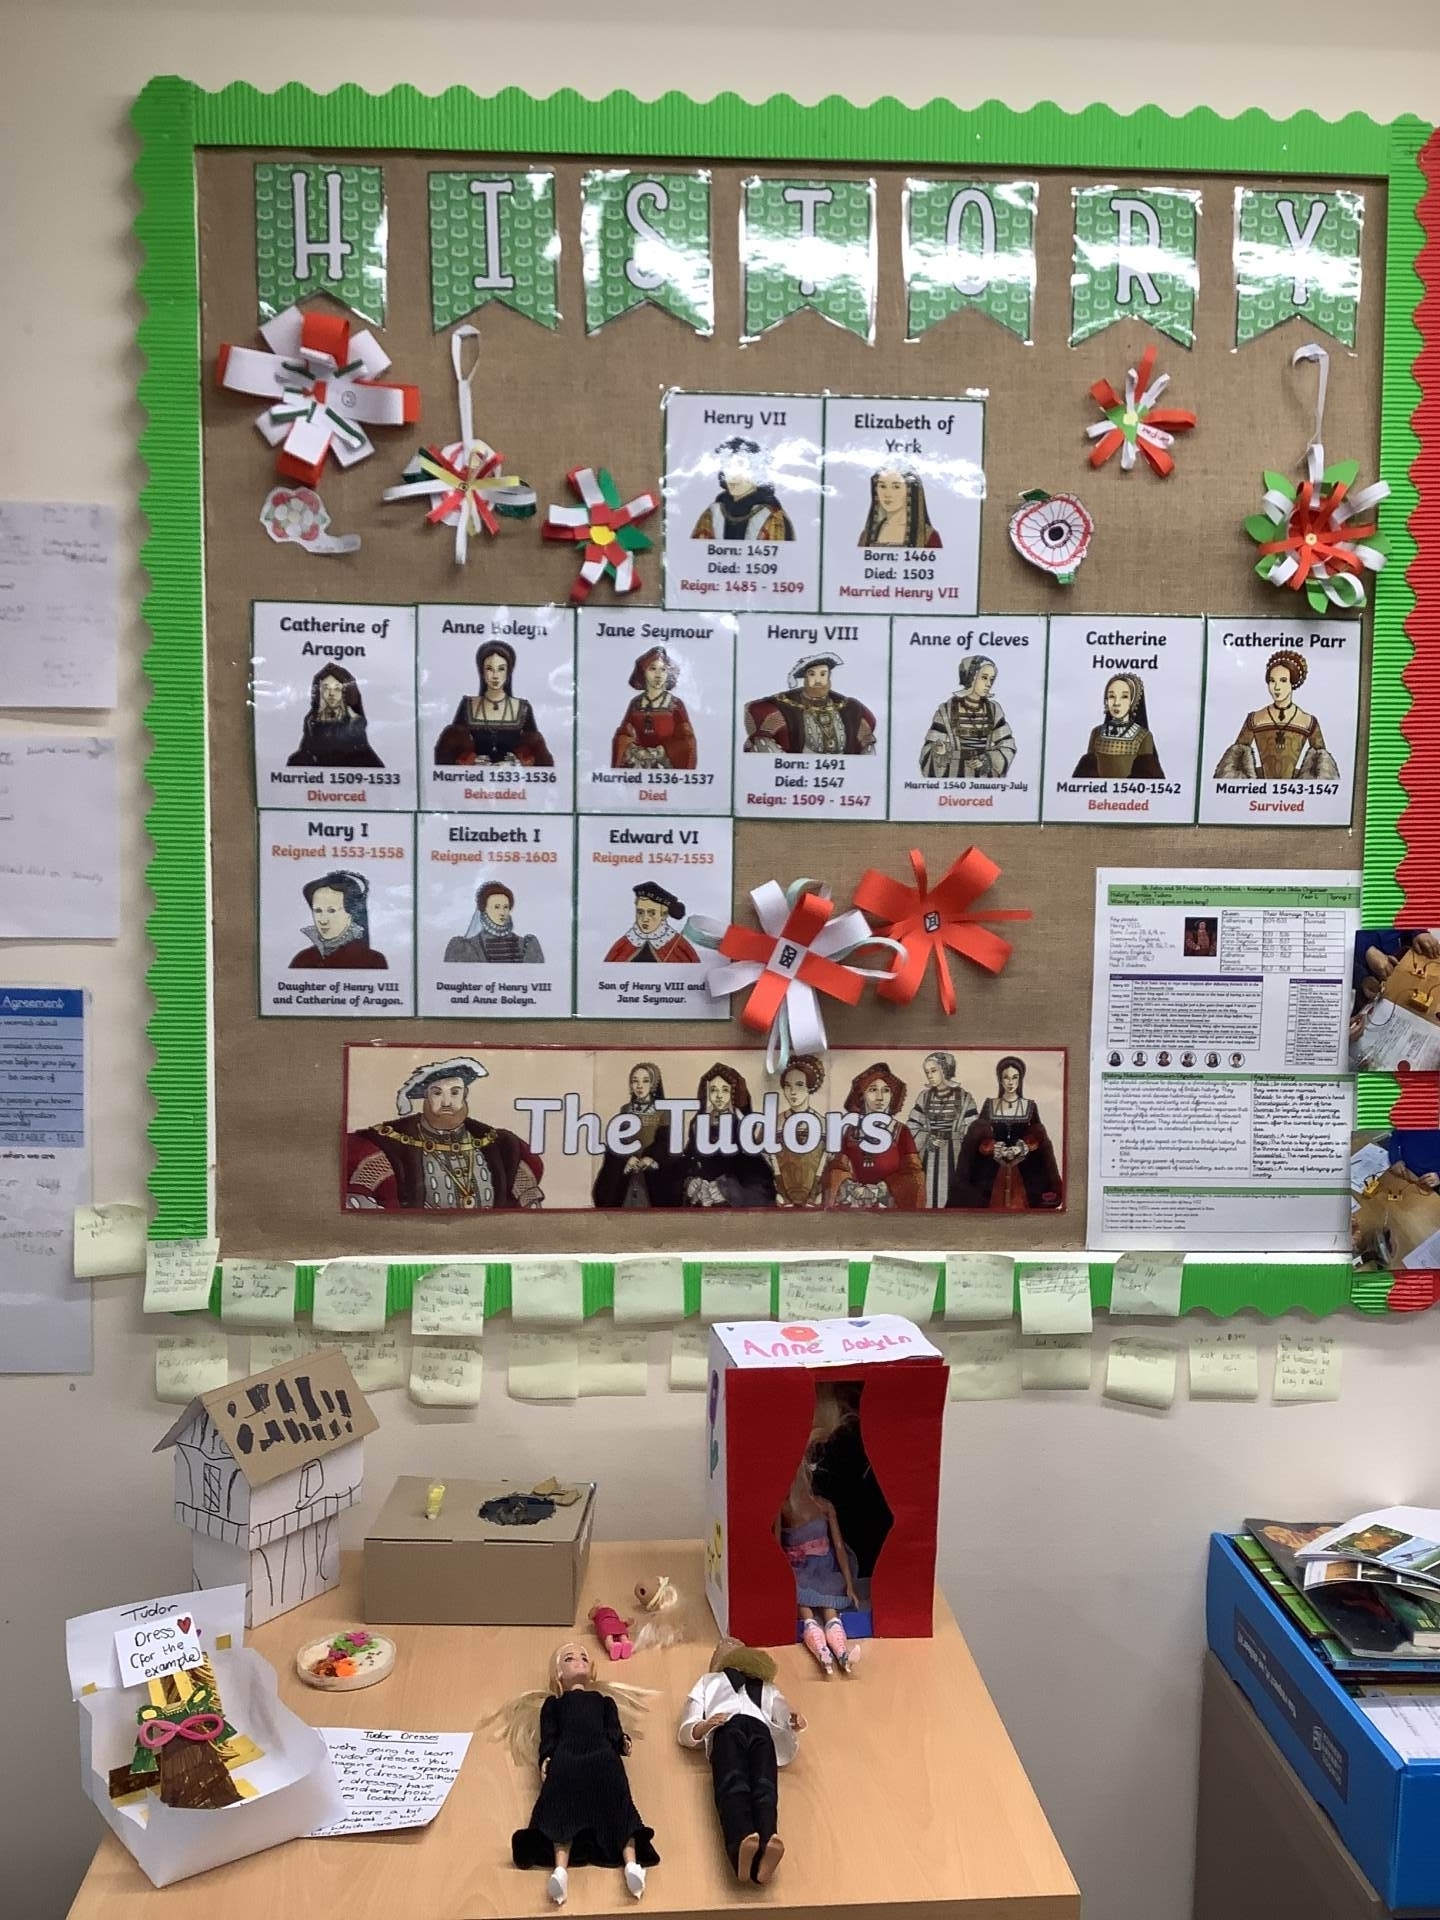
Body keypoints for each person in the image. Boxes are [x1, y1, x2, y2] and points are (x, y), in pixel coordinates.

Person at [495, 1641, 657, 1908]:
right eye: (569, 1659)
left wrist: (622, 1742)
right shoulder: (553, 1705)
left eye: (583, 1657)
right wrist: (546, 1758)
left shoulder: (604, 1702)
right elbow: (549, 1736)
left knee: (619, 1809)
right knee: (563, 1812)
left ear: (591, 1670)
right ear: (558, 1673)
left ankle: (631, 1866)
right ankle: (560, 1870)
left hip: (601, 1756)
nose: (579, 1661)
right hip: (568, 1758)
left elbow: (613, 1729)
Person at [678, 1639, 805, 1885]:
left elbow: (780, 1709)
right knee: (732, 1782)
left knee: (765, 1785)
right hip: (727, 1727)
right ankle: (740, 1845)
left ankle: (768, 1843)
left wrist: (791, 1719)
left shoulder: (767, 1687)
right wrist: (703, 1726)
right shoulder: (709, 1681)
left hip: (761, 1731)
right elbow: (690, 1718)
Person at [344, 1056, 544, 1211]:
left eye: (455, 1092)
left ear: (465, 1095)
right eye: (437, 1093)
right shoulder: (388, 1144)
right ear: (426, 1097)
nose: (447, 1102)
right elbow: (358, 1202)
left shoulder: (501, 1146)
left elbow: (530, 1205)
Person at [777, 1386, 861, 1675]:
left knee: (829, 1612)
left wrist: (849, 1584)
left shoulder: (824, 1507)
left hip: (824, 1570)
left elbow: (838, 1548)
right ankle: (823, 1652)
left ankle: (841, 1651)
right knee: (808, 1613)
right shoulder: (785, 1510)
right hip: (799, 1572)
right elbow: (775, 1542)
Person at [951, 1056, 1062, 1211]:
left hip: (1023, 1170)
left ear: (1020, 1079)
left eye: (1015, 1077)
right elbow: (979, 1136)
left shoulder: (1029, 1106)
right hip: (993, 1170)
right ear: (1000, 1079)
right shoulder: (990, 1104)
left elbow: (1038, 1138)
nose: (1010, 1082)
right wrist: (994, 1147)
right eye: (1006, 1077)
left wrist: (1023, 1147)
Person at [1212, 650, 1340, 782]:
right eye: (1272, 681)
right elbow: (1236, 762)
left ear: (1292, 683)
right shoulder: (1255, 718)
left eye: (1283, 681)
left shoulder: (1308, 721)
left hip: (1294, 790)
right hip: (1259, 789)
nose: (1276, 687)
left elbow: (1321, 767)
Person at [434, 640, 553, 766]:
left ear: (508, 672)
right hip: (475, 776)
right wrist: (470, 760)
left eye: (501, 669)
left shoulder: (523, 707)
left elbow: (537, 756)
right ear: (482, 671)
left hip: (512, 777)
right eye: (489, 669)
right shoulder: (468, 705)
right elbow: (451, 751)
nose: (495, 675)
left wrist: (518, 762)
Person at [823, 1063, 924, 1211]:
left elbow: (913, 1173)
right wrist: (851, 1187)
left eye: (886, 1090)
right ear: (862, 1095)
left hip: (890, 1208)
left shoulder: (901, 1131)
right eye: (873, 1090)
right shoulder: (851, 1130)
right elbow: (837, 1168)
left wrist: (880, 1190)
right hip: (855, 1206)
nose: (880, 1097)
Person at [680, 1063, 777, 1208]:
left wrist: (728, 1189)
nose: (719, 1096)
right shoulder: (698, 1123)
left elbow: (756, 1178)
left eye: (725, 1090)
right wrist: (690, 1182)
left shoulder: (742, 1125)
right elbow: (689, 1160)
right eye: (713, 1090)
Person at [743, 653, 876, 756]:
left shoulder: (850, 708)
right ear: (805, 678)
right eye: (812, 674)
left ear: (829, 677)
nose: (818, 680)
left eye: (823, 674)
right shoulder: (783, 707)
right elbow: (762, 739)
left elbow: (866, 743)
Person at [591, 1062, 680, 1209]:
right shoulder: (626, 1110)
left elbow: (666, 1142)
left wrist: (651, 1158)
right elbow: (617, 1143)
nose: (639, 1086)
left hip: (651, 1174)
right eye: (635, 1081)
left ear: (653, 1084)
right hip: (628, 1172)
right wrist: (626, 1158)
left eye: (645, 1081)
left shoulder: (664, 1111)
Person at [919, 655, 1016, 780]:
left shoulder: (994, 709)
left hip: (984, 777)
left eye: (991, 679)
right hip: (953, 776)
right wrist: (939, 752)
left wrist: (988, 759)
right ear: (970, 677)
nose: (989, 684)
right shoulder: (946, 710)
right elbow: (929, 749)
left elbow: (1007, 745)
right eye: (984, 678)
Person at [905, 1051, 978, 1210]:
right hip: (928, 1154)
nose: (929, 1076)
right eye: (927, 1072)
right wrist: (927, 1139)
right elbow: (912, 1127)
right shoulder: (924, 1097)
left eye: (933, 1071)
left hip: (956, 1154)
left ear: (945, 1070)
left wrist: (960, 1139)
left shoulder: (965, 1098)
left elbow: (973, 1130)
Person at [690, 438, 795, 542]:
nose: (732, 475)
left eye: (740, 465)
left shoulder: (771, 515)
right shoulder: (713, 512)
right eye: (727, 466)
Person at [611, 647, 697, 771]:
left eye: (663, 669)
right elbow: (624, 736)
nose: (658, 675)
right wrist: (634, 751)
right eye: (652, 669)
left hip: (666, 769)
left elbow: (686, 740)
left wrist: (661, 753)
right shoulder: (635, 704)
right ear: (643, 672)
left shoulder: (676, 704)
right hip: (639, 768)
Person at [285, 662, 383, 768]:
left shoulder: (354, 725)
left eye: (336, 689)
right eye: (326, 688)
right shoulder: (311, 723)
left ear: (345, 692)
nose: (331, 694)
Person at [1071, 673, 1164, 780]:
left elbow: (1147, 777)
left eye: (1124, 697)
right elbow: (1085, 777)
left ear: (1132, 700)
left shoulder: (1143, 736)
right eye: (1111, 696)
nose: (1116, 703)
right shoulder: (1097, 732)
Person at [288, 870, 388, 969]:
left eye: (331, 910)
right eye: (318, 911)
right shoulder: (303, 959)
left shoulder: (374, 960)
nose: (323, 921)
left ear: (351, 914)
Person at [771, 1054, 827, 1209]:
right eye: (787, 1086)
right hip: (781, 1196)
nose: (792, 1092)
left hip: (815, 1196)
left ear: (810, 1087)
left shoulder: (824, 1124)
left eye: (799, 1085)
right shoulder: (772, 1123)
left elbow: (828, 1161)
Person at [443, 881, 545, 965]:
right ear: (484, 909)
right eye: (496, 907)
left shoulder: (527, 944)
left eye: (506, 907)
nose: (502, 912)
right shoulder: (466, 946)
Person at [604, 882, 699, 964]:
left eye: (652, 913)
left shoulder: (677, 945)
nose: (645, 919)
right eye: (640, 912)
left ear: (663, 915)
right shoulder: (625, 944)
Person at [858, 466, 943, 548]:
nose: (887, 494)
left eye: (896, 487)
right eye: (882, 486)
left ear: (909, 490)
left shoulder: (928, 537)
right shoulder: (866, 536)